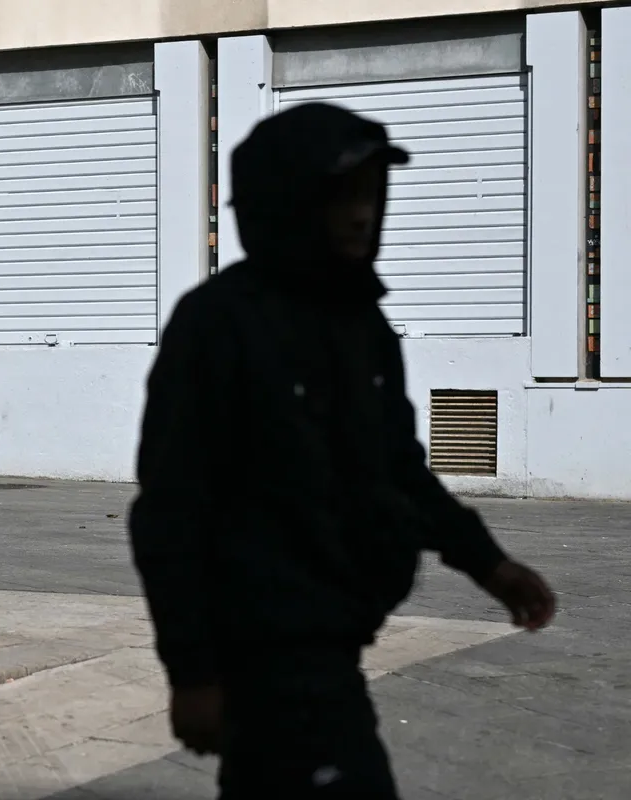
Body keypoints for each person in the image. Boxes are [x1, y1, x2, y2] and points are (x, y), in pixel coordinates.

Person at [127, 102, 556, 799]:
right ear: (285, 204)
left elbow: (399, 470)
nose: (361, 215)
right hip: (264, 654)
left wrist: (490, 565)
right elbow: (169, 513)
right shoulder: (218, 325)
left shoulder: (362, 324)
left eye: (370, 195)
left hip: (336, 645)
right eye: (341, 197)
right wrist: (193, 672)